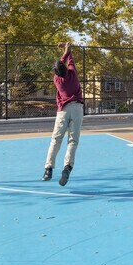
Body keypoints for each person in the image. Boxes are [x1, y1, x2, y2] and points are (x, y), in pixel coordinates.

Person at [42, 42, 84, 185]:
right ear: (66, 69)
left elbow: (61, 62)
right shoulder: (73, 74)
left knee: (56, 139)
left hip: (63, 111)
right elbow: (69, 61)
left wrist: (64, 52)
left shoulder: (57, 80)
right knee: (73, 141)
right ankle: (67, 167)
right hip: (77, 109)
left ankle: (48, 168)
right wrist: (67, 49)